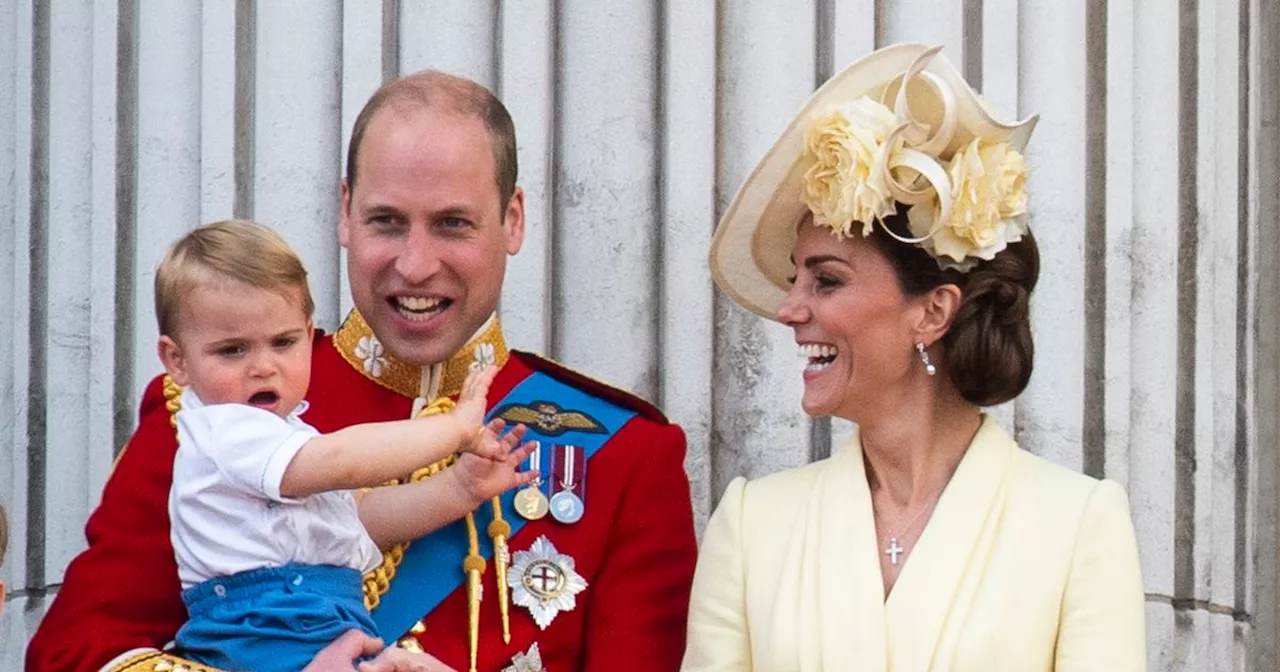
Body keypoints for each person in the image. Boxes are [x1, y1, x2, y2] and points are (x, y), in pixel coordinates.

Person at [27, 70, 698, 672]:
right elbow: (72, 656)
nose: (414, 265)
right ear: (344, 212)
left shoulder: (623, 455)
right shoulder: (212, 407)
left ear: (512, 221)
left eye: (453, 224)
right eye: (386, 221)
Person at [682, 43, 1146, 671]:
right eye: (797, 280)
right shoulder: (751, 524)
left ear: (932, 312)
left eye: (826, 281)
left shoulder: (1077, 526)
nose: (789, 311)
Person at [153, 220, 537, 672]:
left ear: (308, 333)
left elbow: (367, 519)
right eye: (232, 350)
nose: (263, 367)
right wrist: (453, 431)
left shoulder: (281, 436)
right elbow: (342, 462)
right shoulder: (227, 431)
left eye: (284, 343)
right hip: (266, 627)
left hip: (313, 621)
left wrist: (460, 488)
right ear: (176, 360)